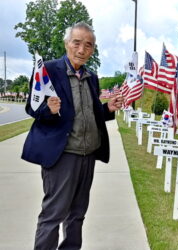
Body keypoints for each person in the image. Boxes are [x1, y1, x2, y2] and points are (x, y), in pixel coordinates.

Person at [21, 22, 123, 250]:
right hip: (62, 156)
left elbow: (92, 112)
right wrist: (49, 110)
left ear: (92, 49)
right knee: (53, 215)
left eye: (89, 45)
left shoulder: (91, 77)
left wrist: (108, 108)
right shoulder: (47, 70)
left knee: (77, 215)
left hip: (87, 155)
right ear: (67, 43)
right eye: (77, 42)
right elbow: (32, 107)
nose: (82, 49)